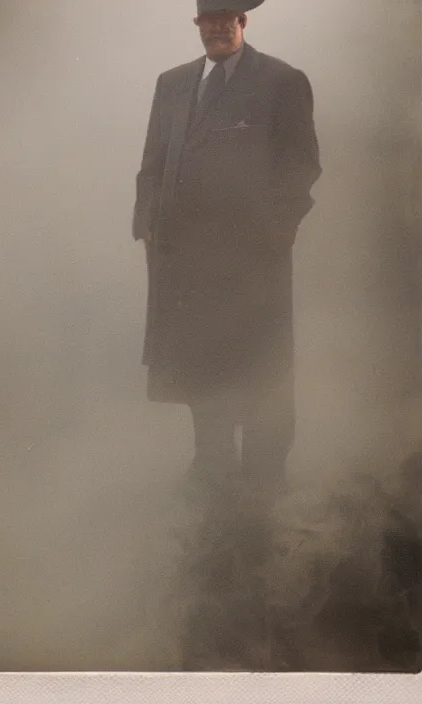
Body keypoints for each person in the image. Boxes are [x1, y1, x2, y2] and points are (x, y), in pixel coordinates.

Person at [132, 0, 322, 493]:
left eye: (225, 17)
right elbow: (152, 162)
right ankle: (211, 465)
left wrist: (273, 235)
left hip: (252, 261)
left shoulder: (282, 81)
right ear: (197, 23)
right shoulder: (172, 83)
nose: (215, 27)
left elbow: (301, 168)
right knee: (199, 363)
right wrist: (147, 225)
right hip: (185, 262)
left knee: (259, 366)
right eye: (206, 19)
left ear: (243, 21)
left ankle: (265, 477)